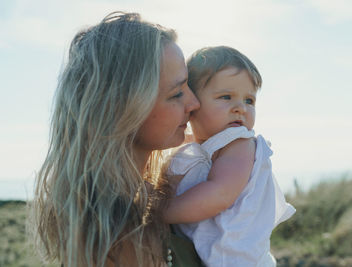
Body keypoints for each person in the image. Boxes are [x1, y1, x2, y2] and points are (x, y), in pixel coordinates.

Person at [30, 12, 203, 267]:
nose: (194, 103)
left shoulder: (151, 199)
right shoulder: (111, 239)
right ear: (124, 108)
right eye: (177, 93)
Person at [163, 46, 296, 266]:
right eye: (226, 97)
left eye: (249, 101)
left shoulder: (239, 143)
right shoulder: (194, 147)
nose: (240, 108)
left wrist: (158, 213)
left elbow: (220, 194)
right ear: (193, 102)